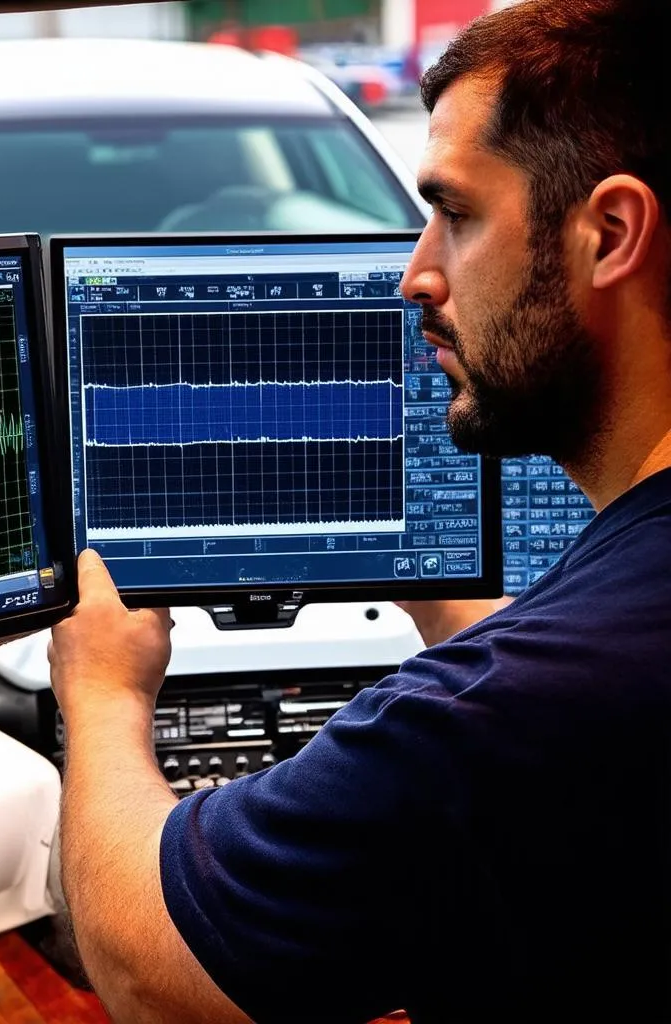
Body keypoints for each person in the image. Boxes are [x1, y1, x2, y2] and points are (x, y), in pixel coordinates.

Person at [47, 1, 671, 1020]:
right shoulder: (564, 672)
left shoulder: (493, 717)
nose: (416, 273)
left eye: (456, 214)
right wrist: (464, 618)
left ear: (609, 233)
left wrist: (103, 694)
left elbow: (148, 970)